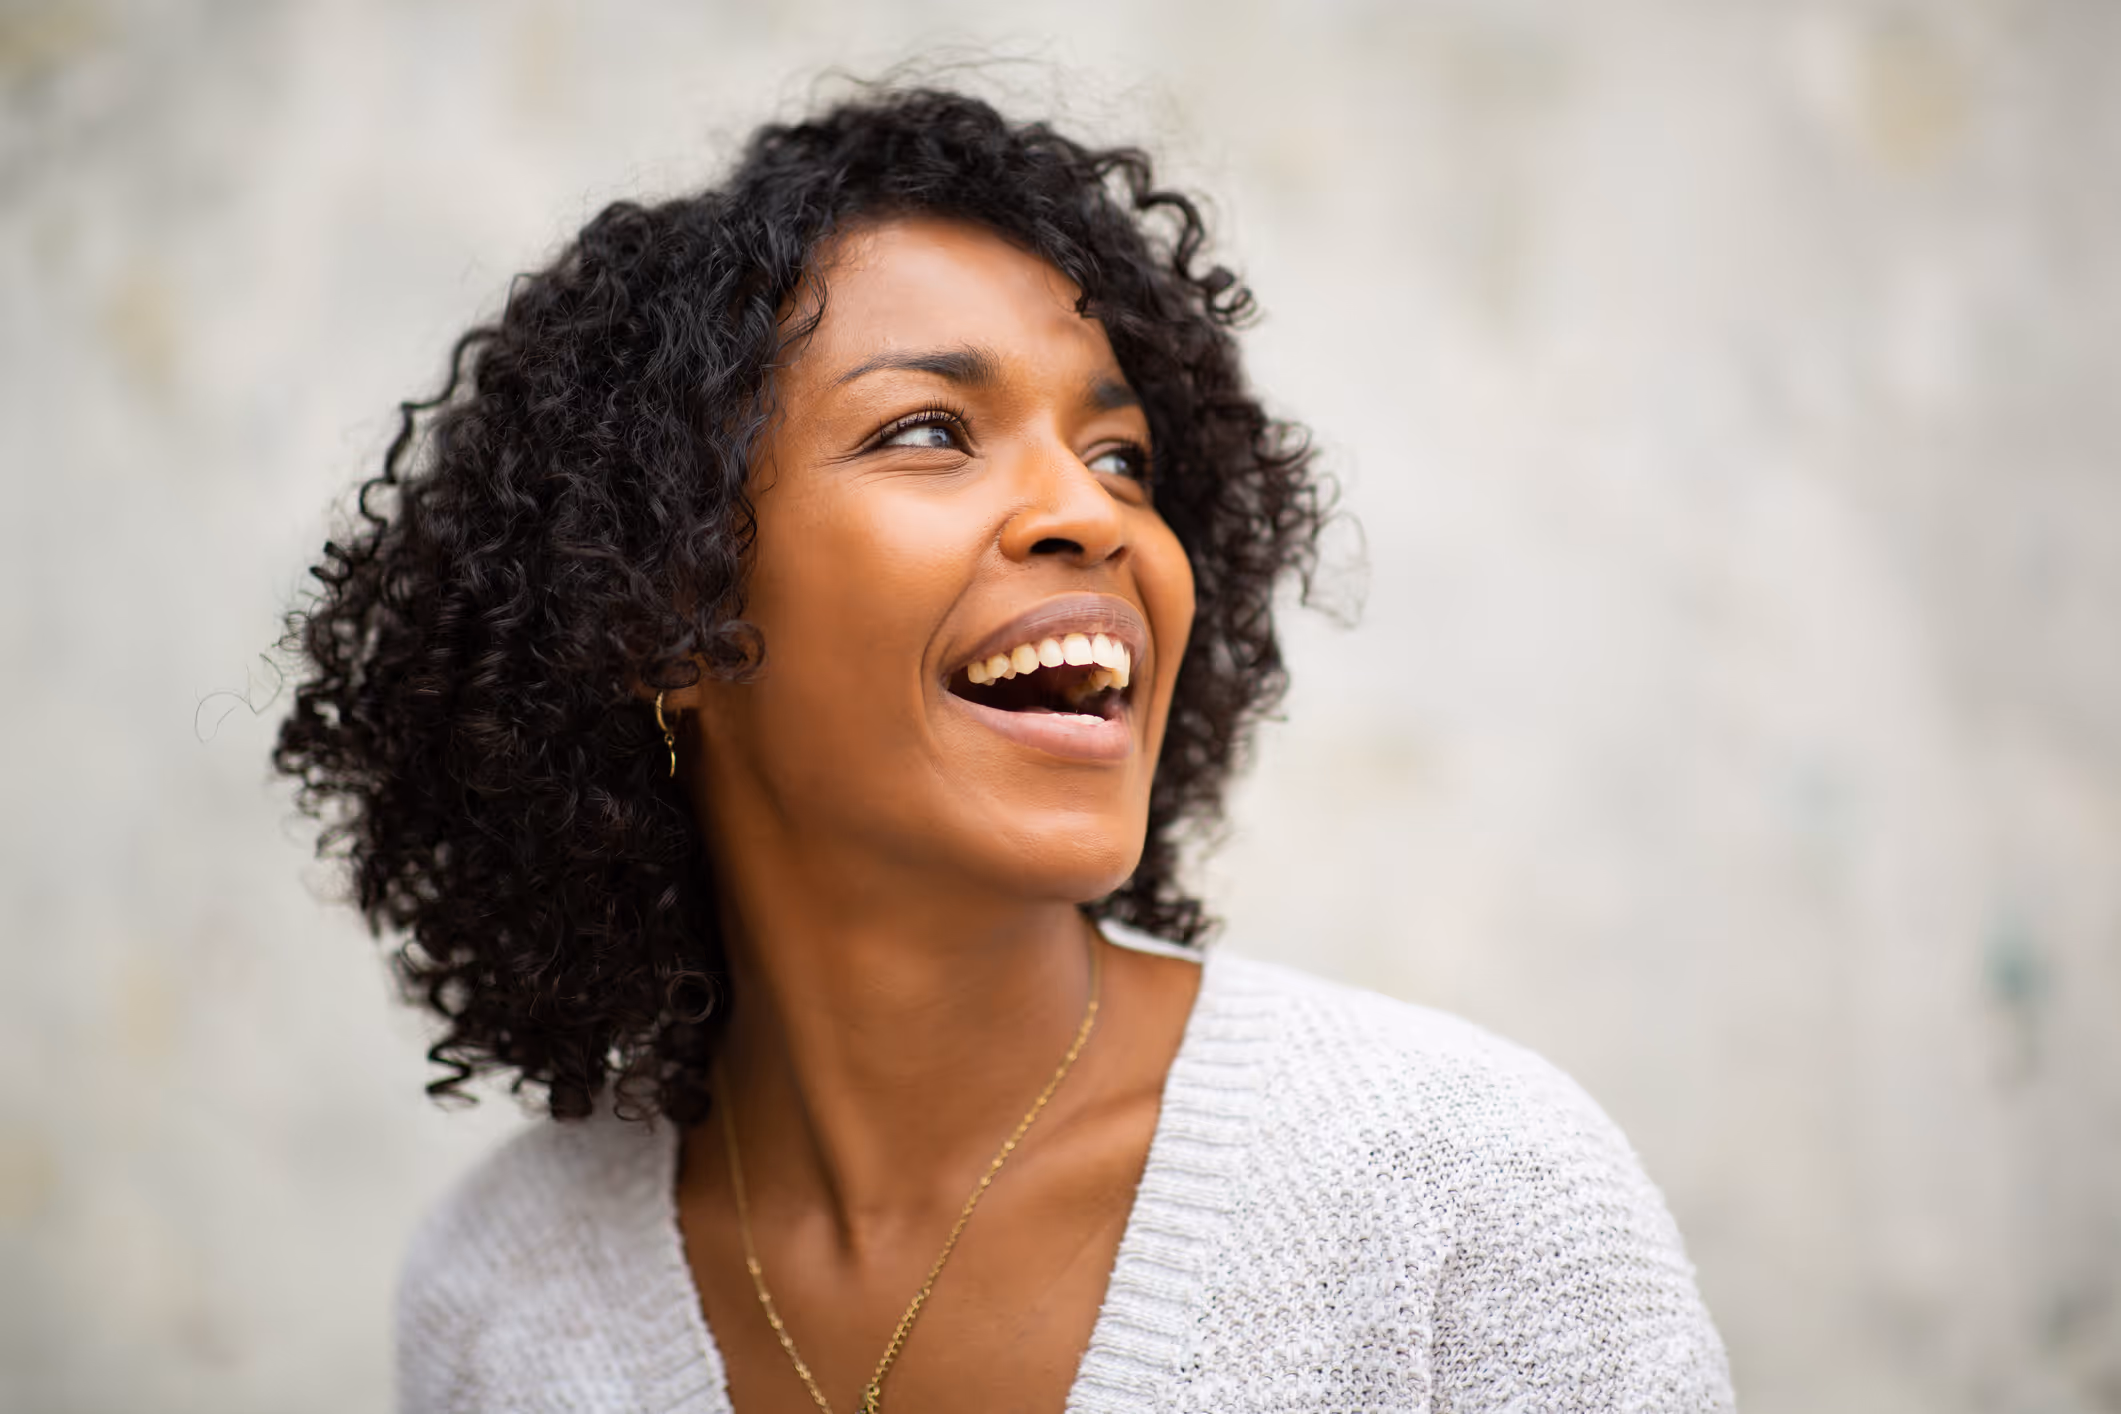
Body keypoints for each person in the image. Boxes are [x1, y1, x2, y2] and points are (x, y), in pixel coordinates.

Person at [275, 85, 1734, 1413]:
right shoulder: (504, 1297)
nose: (1094, 515)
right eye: (927, 428)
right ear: (664, 603)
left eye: (1122, 457)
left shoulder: (1466, 1198)